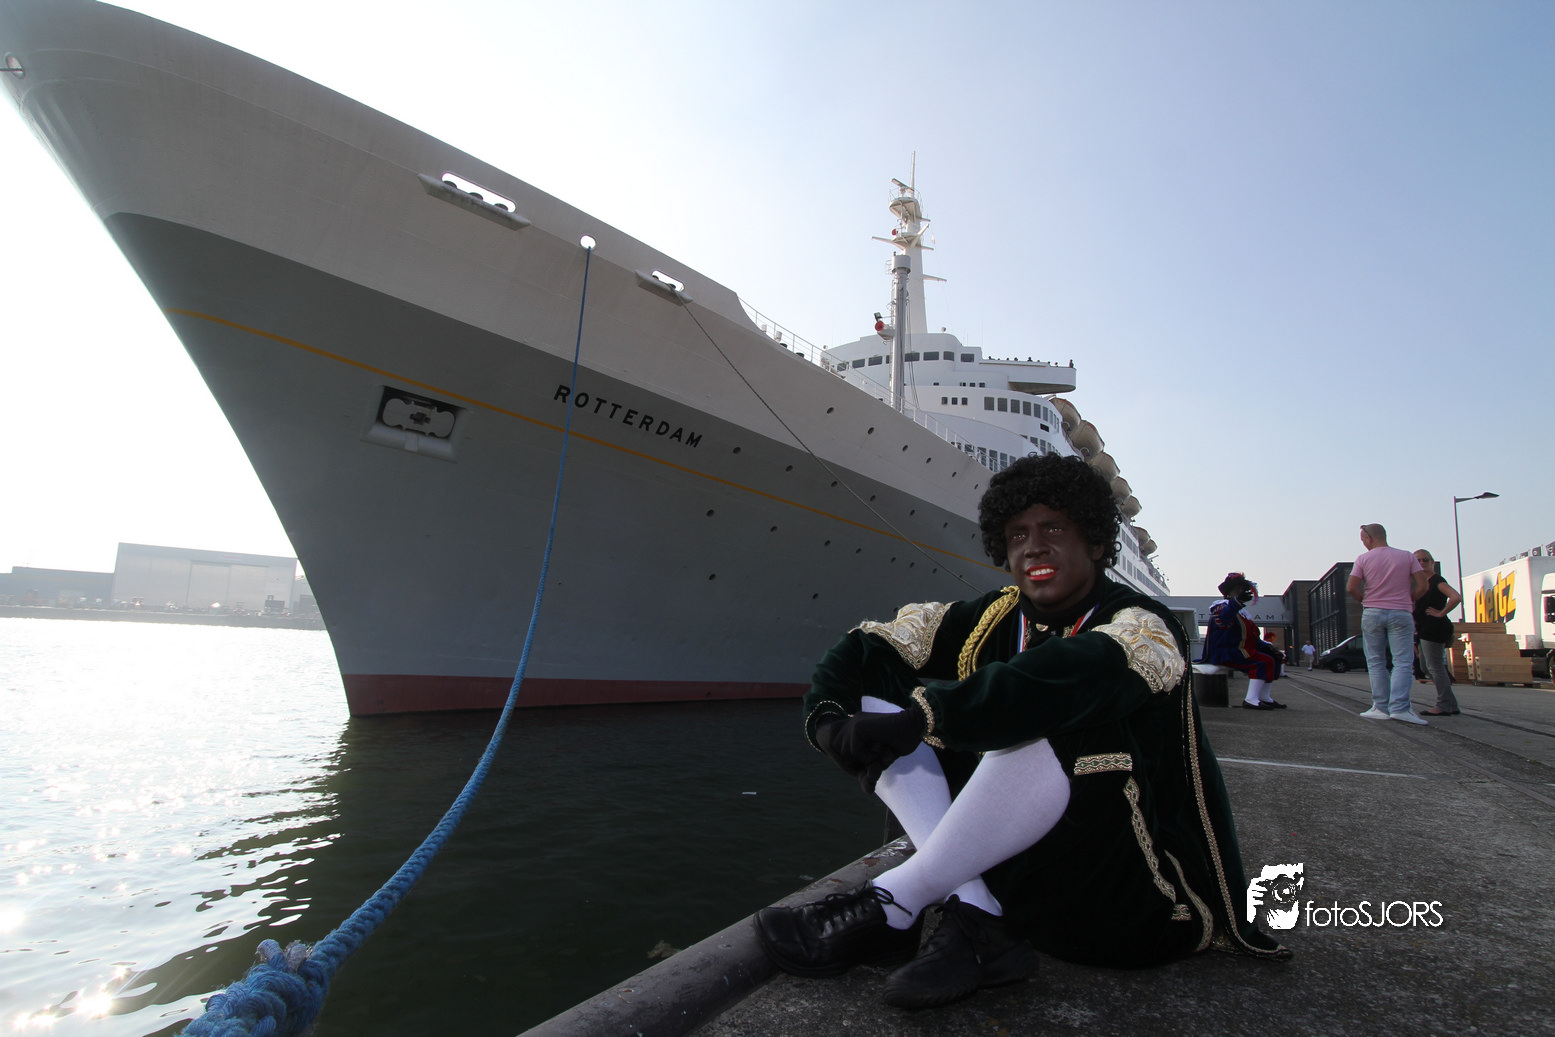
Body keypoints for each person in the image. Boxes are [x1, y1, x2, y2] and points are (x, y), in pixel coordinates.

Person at [754, 454, 1289, 1011]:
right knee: (878, 692)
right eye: (1017, 535)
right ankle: (976, 913)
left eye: (1053, 529)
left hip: (1125, 903)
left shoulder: (1144, 625)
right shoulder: (993, 616)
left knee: (1061, 711)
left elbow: (1070, 676)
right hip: (1010, 880)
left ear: (1097, 542)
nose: (1033, 547)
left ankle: (896, 901)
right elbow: (868, 645)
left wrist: (924, 717)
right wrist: (829, 723)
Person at [1347, 524, 1428, 724]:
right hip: (1400, 612)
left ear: (1369, 538)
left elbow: (1351, 588)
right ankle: (1400, 708)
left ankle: (1380, 707)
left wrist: (1366, 601)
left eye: (1363, 540)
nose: (1363, 544)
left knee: (1375, 662)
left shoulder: (1363, 559)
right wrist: (1409, 600)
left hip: (1372, 612)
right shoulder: (1407, 556)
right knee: (1402, 662)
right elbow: (1423, 585)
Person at [1201, 573, 1286, 710]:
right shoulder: (1221, 607)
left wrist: (1267, 647)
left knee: (1274, 658)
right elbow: (1224, 620)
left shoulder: (1242, 613)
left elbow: (1251, 638)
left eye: (1243, 589)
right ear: (1229, 591)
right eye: (1238, 589)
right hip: (1226, 652)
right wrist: (1237, 602)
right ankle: (1250, 699)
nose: (1241, 591)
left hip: (1240, 651)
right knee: (1263, 662)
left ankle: (1264, 697)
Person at [1412, 548, 1463, 717]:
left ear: (1432, 563)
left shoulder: (1436, 581)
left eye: (1425, 559)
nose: (1422, 563)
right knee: (1426, 667)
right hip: (1424, 628)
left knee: (1434, 667)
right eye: (1418, 560)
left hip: (1434, 627)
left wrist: (1441, 612)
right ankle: (1451, 704)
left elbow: (1456, 597)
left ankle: (1443, 705)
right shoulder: (1421, 583)